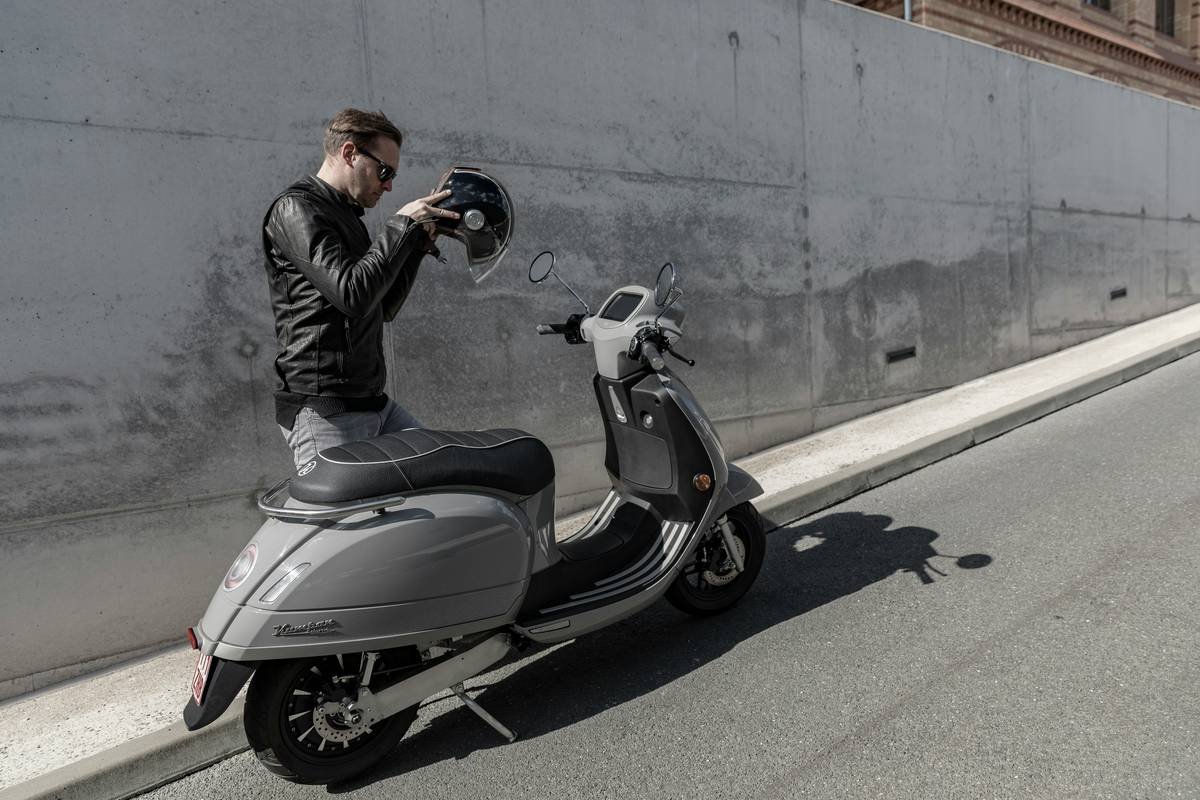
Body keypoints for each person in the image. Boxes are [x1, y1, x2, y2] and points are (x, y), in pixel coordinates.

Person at [262, 108, 459, 471]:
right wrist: (400, 225)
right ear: (350, 153)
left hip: (373, 403)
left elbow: (381, 308)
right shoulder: (297, 209)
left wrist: (415, 246)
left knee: (441, 472)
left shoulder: (347, 218)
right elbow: (353, 295)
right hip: (327, 411)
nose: (389, 185)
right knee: (346, 524)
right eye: (385, 172)